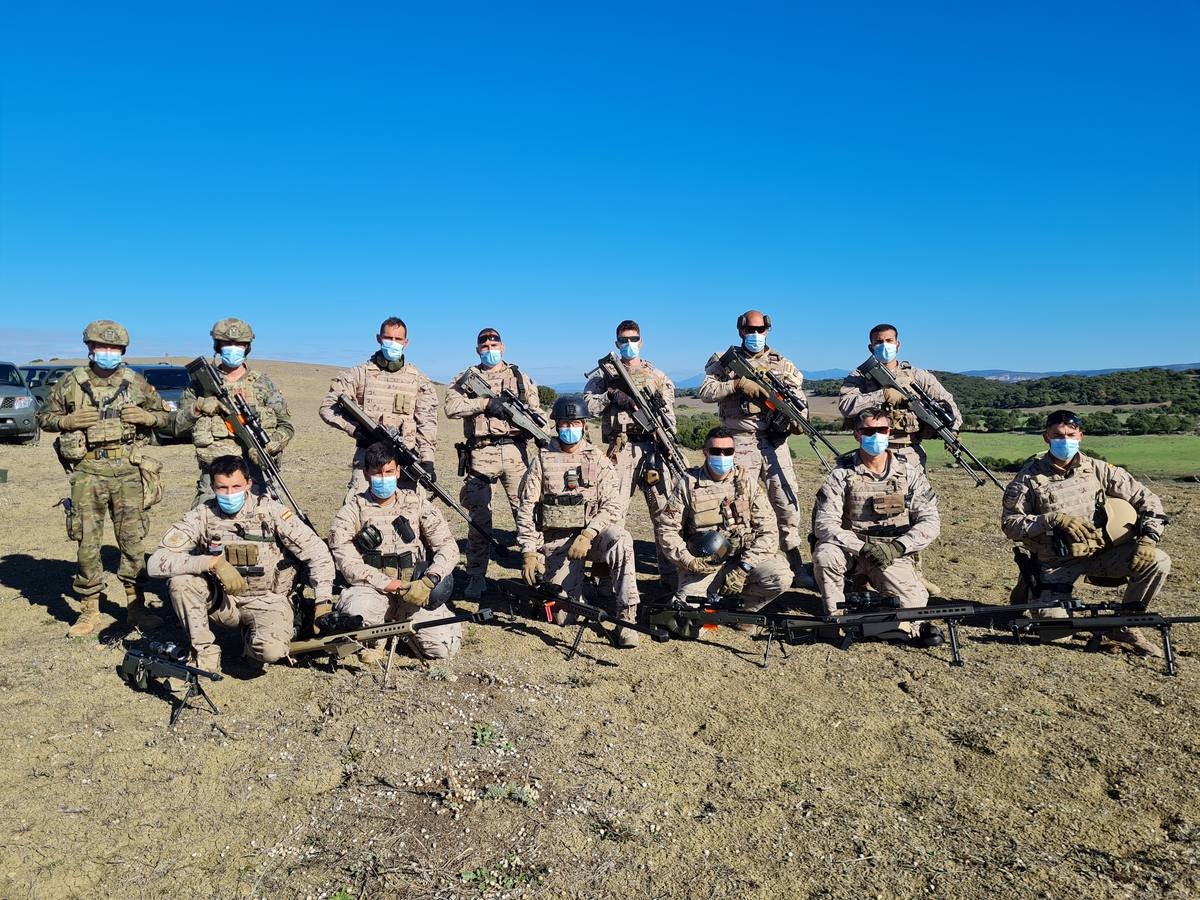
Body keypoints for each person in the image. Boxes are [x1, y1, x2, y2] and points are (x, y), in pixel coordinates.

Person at [1001, 409, 1171, 656]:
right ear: (1045, 437)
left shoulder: (1099, 469)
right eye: (1058, 435)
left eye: (1071, 434)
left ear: (1081, 435)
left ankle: (1126, 624)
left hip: (1101, 554)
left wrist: (1148, 539)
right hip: (1055, 563)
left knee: (1158, 561)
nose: (1065, 440)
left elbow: (1149, 500)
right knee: (1056, 633)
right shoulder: (1028, 477)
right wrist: (1052, 520)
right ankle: (1031, 586)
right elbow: (1010, 525)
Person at [37, 319, 169, 635]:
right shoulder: (70, 382)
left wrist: (149, 417)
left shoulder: (137, 382)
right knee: (87, 543)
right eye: (101, 346)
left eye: (114, 348)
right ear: (90, 349)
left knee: (133, 542)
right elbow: (44, 417)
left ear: (122, 350)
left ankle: (136, 609)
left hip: (128, 472)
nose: (107, 352)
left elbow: (167, 416)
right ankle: (89, 612)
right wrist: (66, 422)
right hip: (87, 473)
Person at [147, 455, 335, 672]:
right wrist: (211, 562)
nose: (229, 494)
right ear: (213, 487)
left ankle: (253, 642)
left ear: (249, 484)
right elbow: (156, 562)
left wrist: (323, 601)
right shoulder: (202, 515)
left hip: (268, 599)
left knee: (271, 652)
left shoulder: (271, 512)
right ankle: (205, 655)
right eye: (222, 488)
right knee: (181, 582)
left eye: (236, 486)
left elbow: (317, 553)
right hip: (224, 601)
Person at [515, 396, 642, 647]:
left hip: (591, 540)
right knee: (562, 617)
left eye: (574, 423)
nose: (569, 429)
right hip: (556, 544)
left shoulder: (599, 460)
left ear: (584, 425)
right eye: (564, 423)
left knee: (622, 539)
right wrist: (529, 552)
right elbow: (527, 508)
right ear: (556, 426)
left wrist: (588, 534)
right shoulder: (541, 459)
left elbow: (612, 505)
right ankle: (582, 592)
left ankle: (627, 617)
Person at [698, 309, 811, 587]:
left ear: (768, 331)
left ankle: (795, 565)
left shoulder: (783, 364)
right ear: (741, 331)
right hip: (739, 441)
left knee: (786, 505)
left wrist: (799, 419)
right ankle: (738, 567)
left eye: (760, 330)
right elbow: (705, 392)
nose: (755, 335)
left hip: (774, 442)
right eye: (750, 330)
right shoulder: (723, 362)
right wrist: (736, 384)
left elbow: (799, 400)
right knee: (739, 506)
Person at [812, 408, 944, 646]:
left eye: (881, 430)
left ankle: (877, 608)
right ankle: (834, 620)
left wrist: (899, 547)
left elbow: (930, 521)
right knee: (825, 554)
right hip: (853, 550)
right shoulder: (840, 475)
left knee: (912, 610)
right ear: (857, 435)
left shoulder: (910, 474)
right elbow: (824, 524)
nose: (875, 436)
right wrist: (860, 547)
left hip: (892, 552)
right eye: (868, 431)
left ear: (889, 432)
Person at [327, 441, 464, 662]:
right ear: (366, 474)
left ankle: (399, 630)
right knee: (353, 614)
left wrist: (429, 581)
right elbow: (348, 563)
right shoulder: (351, 511)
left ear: (398, 471)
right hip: (374, 591)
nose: (384, 478)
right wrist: (390, 584)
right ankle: (379, 636)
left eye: (389, 472)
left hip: (416, 591)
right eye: (378, 473)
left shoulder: (418, 503)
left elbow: (448, 547)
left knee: (443, 648)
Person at [445, 327, 544, 599]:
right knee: (479, 520)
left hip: (515, 452)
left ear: (503, 346)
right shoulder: (467, 377)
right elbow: (451, 407)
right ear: (478, 349)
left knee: (528, 513)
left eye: (494, 343)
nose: (490, 348)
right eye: (484, 344)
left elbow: (536, 413)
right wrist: (485, 404)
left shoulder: (519, 377)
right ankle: (476, 578)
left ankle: (537, 572)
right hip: (480, 452)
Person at [582, 319, 678, 589]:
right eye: (624, 340)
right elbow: (588, 406)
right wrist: (611, 396)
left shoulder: (656, 375)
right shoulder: (603, 377)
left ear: (641, 341)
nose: (629, 344)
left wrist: (668, 443)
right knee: (613, 514)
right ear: (616, 343)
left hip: (654, 448)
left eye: (633, 339)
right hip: (620, 449)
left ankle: (669, 584)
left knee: (664, 516)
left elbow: (669, 416)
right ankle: (608, 582)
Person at [657, 427, 791, 615]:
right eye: (715, 451)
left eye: (728, 451)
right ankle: (711, 597)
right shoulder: (688, 483)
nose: (722, 455)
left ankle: (741, 612)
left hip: (743, 557)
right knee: (687, 616)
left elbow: (769, 531)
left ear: (734, 453)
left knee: (780, 577)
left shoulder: (746, 482)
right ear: (705, 453)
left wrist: (745, 567)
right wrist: (689, 561)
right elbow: (667, 529)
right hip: (704, 563)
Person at [173, 317, 294, 505]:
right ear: (217, 345)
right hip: (216, 477)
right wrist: (197, 408)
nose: (233, 347)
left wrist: (273, 443)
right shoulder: (199, 384)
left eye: (239, 343)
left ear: (247, 346)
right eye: (227, 343)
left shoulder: (263, 383)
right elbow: (177, 426)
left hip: (257, 470)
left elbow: (286, 425)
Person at [319, 316, 438, 499]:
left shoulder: (419, 380)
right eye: (388, 338)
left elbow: (427, 423)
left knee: (412, 514)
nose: (393, 343)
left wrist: (427, 460)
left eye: (398, 339)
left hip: (405, 461)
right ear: (378, 338)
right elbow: (328, 407)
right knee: (358, 510)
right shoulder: (359, 374)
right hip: (368, 460)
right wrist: (356, 429)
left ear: (406, 342)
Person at [837, 323, 962, 471]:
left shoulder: (917, 376)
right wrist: (883, 395)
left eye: (889, 341)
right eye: (878, 342)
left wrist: (952, 431)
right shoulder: (860, 376)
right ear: (871, 347)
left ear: (898, 344)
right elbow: (846, 405)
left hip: (909, 451)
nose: (884, 345)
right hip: (872, 452)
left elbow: (949, 406)